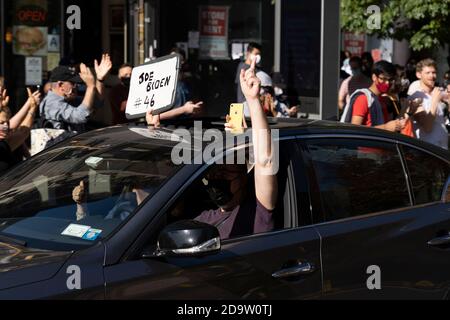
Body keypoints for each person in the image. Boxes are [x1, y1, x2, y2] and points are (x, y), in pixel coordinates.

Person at [193, 56, 277, 239]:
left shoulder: (258, 212)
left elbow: (265, 160)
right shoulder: (203, 220)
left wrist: (253, 100)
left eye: (225, 170)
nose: (217, 177)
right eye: (214, 172)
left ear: (244, 173)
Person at [39, 54, 112, 132]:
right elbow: (80, 116)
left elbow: (97, 102)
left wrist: (100, 79)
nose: (76, 86)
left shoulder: (69, 99)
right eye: (73, 83)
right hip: (60, 143)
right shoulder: (52, 103)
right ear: (60, 85)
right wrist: (90, 86)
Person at [340, 60, 406, 133]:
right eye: (383, 79)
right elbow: (355, 129)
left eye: (390, 80)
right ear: (374, 77)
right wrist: (385, 127)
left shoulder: (383, 99)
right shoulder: (363, 98)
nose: (387, 83)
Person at [408, 58, 449, 149]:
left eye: (434, 72)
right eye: (428, 73)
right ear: (419, 75)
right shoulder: (416, 97)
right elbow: (427, 127)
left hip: (442, 150)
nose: (432, 76)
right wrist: (434, 101)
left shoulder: (436, 92)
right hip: (427, 153)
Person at [0, 86, 41, 173]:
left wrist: (32, 107)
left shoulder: (4, 144)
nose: (5, 126)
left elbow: (23, 132)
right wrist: (29, 105)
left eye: (7, 123)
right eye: (1, 123)